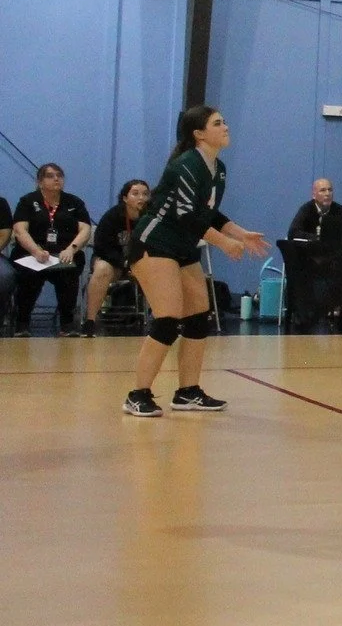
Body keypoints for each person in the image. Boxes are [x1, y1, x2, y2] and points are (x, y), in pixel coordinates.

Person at [123, 106, 269, 416]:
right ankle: (138, 394)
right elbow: (186, 215)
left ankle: (187, 392)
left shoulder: (219, 168)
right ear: (199, 133)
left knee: (198, 314)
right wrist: (224, 242)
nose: (226, 126)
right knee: (168, 316)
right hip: (154, 242)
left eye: (225, 121)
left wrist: (240, 234)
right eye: (218, 123)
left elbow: (209, 212)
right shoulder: (185, 165)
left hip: (182, 246)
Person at [10, 163, 94, 336]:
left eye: (59, 175)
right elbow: (19, 230)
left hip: (64, 254)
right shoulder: (27, 201)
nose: (56, 178)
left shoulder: (74, 202)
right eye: (50, 175)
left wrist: (72, 249)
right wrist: (35, 251)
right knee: (29, 276)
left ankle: (67, 324)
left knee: (68, 274)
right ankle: (23, 322)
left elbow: (85, 229)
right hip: (32, 254)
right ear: (40, 182)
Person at [81, 178, 150, 336]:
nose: (141, 198)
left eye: (145, 194)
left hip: (141, 264)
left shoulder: (152, 217)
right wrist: (125, 264)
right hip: (114, 262)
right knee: (102, 269)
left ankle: (165, 320)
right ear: (125, 198)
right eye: (135, 193)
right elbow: (102, 247)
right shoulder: (112, 216)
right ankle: (90, 321)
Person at [287, 178, 342, 243]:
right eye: (323, 190)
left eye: (330, 190)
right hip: (311, 253)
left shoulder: (339, 210)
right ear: (314, 195)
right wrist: (317, 237)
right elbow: (293, 232)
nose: (327, 194)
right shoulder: (307, 209)